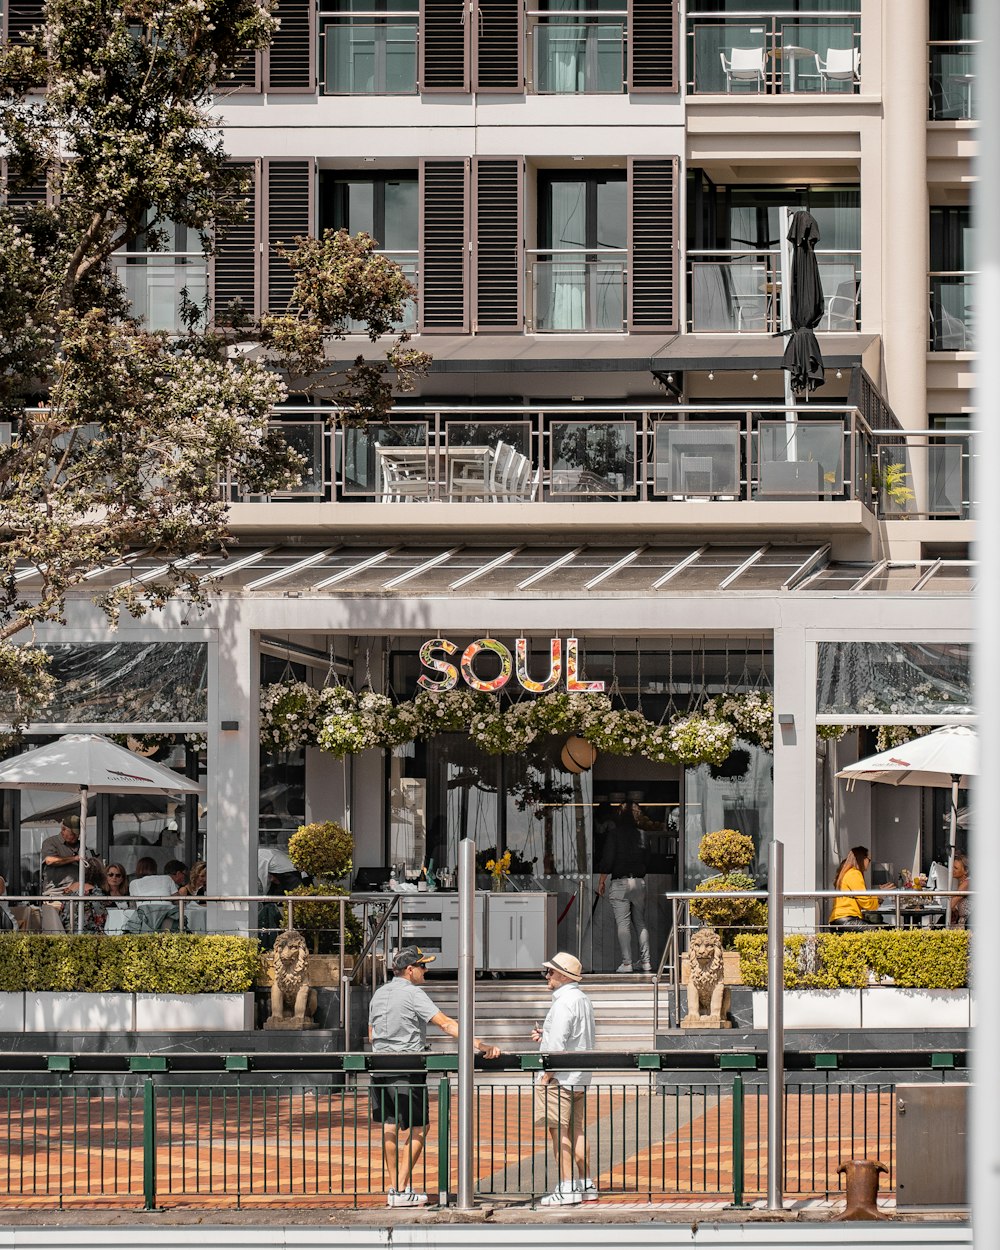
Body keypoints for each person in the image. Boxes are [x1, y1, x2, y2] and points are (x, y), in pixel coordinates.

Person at [368, 946, 500, 1208]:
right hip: (408, 1068)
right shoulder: (413, 993)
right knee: (420, 1127)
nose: (426, 971)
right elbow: (446, 1024)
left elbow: (372, 1034)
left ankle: (396, 1189)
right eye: (422, 966)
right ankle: (401, 1189)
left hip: (379, 1067)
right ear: (410, 970)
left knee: (389, 1127)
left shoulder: (379, 993)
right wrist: (481, 1045)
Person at [530, 951, 597, 1206]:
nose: (547, 975)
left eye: (550, 972)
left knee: (559, 1131)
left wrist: (546, 1077)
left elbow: (557, 1046)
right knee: (577, 1129)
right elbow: (568, 1036)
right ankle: (586, 1182)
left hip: (560, 1078)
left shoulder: (562, 1003)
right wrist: (544, 1034)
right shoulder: (582, 999)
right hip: (580, 1076)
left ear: (562, 975)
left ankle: (567, 1186)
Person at [597, 800, 652, 972]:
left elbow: (607, 860)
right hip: (639, 882)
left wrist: (601, 881)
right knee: (640, 923)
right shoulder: (643, 834)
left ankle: (627, 963)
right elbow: (648, 860)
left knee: (623, 924)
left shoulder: (614, 834)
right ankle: (646, 962)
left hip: (620, 882)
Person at [39, 816, 94, 932]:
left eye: (78, 834)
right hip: (56, 896)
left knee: (78, 931)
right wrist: (75, 859)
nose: (76, 837)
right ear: (63, 829)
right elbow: (50, 860)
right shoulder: (51, 842)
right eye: (73, 834)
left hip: (78, 896)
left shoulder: (81, 846)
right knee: (56, 933)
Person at [829, 846, 880, 927]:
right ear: (863, 859)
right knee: (879, 933)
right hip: (847, 919)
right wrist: (879, 898)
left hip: (840, 918)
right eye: (869, 860)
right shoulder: (854, 874)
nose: (869, 863)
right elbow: (865, 903)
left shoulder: (847, 873)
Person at [950, 853, 971, 927]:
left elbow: (951, 904)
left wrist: (953, 909)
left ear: (966, 871)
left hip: (969, 924)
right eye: (952, 867)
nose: (952, 870)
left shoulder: (967, 883)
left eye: (955, 868)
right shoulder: (962, 882)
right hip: (962, 921)